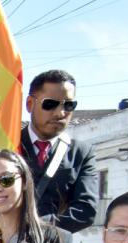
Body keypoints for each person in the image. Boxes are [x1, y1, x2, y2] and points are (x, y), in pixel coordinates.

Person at [18, 70, 99, 234]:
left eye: (68, 105)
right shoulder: (9, 146)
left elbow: (85, 210)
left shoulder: (81, 153)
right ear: (29, 104)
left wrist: (40, 228)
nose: (60, 113)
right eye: (50, 104)